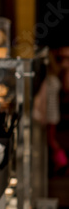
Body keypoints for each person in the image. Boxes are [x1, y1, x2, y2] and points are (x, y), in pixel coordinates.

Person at [34, 44, 69, 174]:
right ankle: (60, 162)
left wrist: (41, 115)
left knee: (51, 141)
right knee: (51, 140)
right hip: (53, 115)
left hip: (49, 115)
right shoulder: (55, 77)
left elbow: (42, 101)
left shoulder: (50, 80)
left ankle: (62, 162)